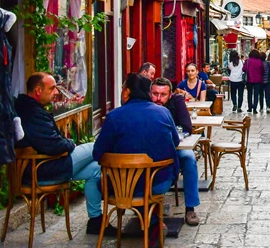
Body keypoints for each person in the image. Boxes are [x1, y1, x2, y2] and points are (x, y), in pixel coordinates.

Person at [15, 72, 116, 236]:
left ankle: (96, 222)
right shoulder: (31, 113)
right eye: (52, 88)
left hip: (47, 166)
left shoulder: (29, 108)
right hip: (43, 169)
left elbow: (51, 143)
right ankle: (125, 171)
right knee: (97, 146)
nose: (56, 92)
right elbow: (55, 146)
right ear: (38, 90)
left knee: (96, 169)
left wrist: (66, 144)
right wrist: (71, 143)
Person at [93, 73, 179, 245]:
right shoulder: (163, 113)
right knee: (143, 185)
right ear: (149, 93)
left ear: (127, 92)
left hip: (122, 185)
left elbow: (98, 153)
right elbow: (175, 141)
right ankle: (153, 220)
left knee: (101, 182)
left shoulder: (114, 117)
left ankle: (152, 221)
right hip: (159, 181)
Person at [150, 78, 200, 226]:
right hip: (151, 149)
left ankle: (190, 208)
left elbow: (187, 127)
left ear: (170, 94)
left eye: (163, 95)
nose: (158, 98)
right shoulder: (146, 105)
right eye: (155, 94)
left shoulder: (176, 101)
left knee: (189, 158)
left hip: (174, 146)